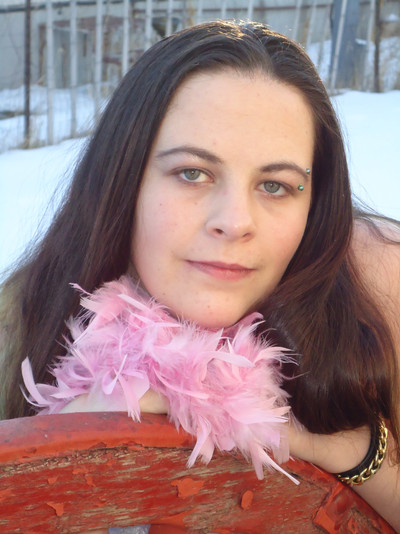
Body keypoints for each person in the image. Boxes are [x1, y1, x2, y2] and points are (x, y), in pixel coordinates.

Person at [0, 20, 399, 533]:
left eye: (275, 185)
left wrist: (350, 450)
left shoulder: (376, 284)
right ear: (125, 181)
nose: (234, 221)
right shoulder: (20, 318)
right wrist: (61, 449)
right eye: (192, 173)